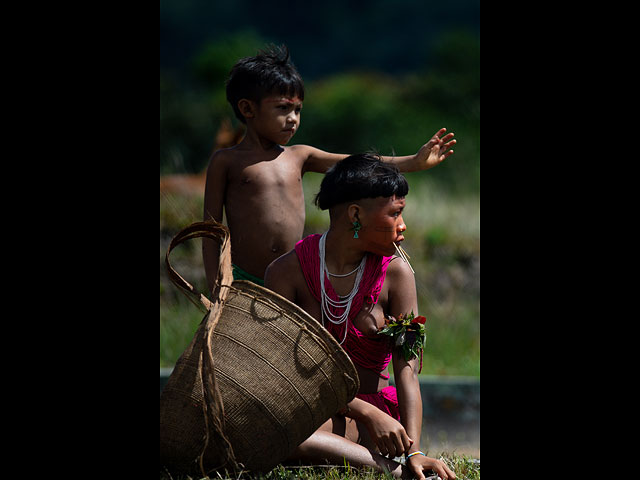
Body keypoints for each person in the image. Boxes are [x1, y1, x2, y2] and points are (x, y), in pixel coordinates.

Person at [263, 153, 456, 480]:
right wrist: (364, 412)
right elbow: (278, 372)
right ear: (355, 215)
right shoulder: (286, 272)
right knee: (276, 432)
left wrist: (415, 450)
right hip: (310, 410)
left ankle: (396, 463)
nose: (403, 226)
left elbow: (407, 373)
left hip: (379, 421)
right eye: (395, 214)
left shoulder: (397, 274)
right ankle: (393, 473)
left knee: (291, 439)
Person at [202, 44, 456, 291]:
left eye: (297, 110)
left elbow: (357, 163)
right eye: (282, 108)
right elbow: (210, 230)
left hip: (294, 278)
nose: (293, 119)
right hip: (242, 280)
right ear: (247, 108)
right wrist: (217, 282)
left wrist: (413, 161)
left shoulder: (300, 156)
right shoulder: (226, 161)